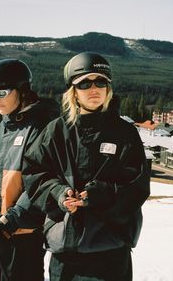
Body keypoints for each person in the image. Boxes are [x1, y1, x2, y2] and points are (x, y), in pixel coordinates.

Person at [22, 51, 150, 281]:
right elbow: (34, 173)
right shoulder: (55, 132)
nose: (94, 88)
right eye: (84, 83)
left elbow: (136, 184)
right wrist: (59, 194)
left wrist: (96, 194)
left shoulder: (125, 133)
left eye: (100, 81)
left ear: (108, 88)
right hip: (66, 250)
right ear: (73, 91)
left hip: (110, 250)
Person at [0, 58, 59, 281]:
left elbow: (43, 184)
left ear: (22, 89)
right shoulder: (5, 125)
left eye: (2, 92)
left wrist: (9, 224)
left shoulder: (43, 125)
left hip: (21, 233)